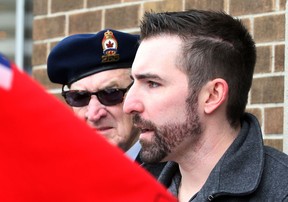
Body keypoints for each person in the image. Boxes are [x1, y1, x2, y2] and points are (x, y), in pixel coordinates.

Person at [123, 9, 288, 201]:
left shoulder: (280, 192)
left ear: (212, 96)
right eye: (132, 82)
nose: (128, 105)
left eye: (152, 83)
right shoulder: (135, 186)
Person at [47, 29, 141, 162]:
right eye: (79, 97)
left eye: (110, 93)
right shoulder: (61, 173)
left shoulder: (176, 173)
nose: (93, 115)